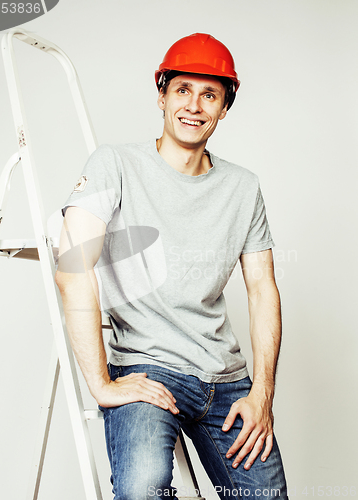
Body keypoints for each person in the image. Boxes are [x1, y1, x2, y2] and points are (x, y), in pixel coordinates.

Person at [55, 33, 288, 500]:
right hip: (147, 367)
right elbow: (71, 267)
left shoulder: (243, 187)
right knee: (142, 490)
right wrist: (102, 384)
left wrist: (262, 392)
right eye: (183, 89)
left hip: (225, 380)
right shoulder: (115, 164)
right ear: (162, 95)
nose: (194, 105)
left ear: (225, 108)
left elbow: (262, 288)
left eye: (210, 95)